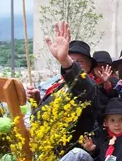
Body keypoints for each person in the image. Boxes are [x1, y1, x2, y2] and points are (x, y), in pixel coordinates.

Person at [26, 21, 100, 150]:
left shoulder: (90, 87)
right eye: (71, 59)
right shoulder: (58, 86)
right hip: (44, 149)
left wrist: (66, 61)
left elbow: (82, 85)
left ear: (89, 67)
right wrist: (36, 101)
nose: (75, 64)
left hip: (69, 155)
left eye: (79, 62)